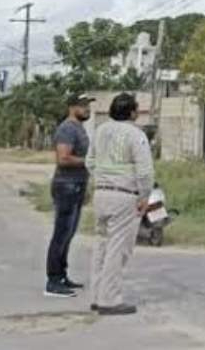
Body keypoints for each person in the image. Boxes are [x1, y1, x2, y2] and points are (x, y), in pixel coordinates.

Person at [87, 92, 153, 316]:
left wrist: (103, 178)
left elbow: (90, 162)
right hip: (124, 195)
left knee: (101, 245)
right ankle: (110, 299)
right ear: (133, 112)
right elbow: (144, 170)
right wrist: (144, 195)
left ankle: (96, 295)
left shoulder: (100, 131)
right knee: (118, 248)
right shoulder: (136, 135)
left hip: (101, 193)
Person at [44, 93, 95, 297]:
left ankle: (62, 275)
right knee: (61, 233)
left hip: (77, 184)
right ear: (72, 107)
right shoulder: (67, 128)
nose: (88, 110)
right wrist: (90, 162)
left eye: (89, 106)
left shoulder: (79, 128)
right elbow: (63, 159)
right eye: (84, 106)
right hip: (67, 185)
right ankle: (53, 281)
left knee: (69, 233)